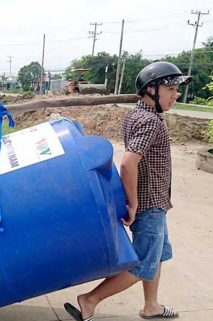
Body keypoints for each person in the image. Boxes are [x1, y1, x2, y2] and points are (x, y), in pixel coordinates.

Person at [64, 61, 192, 321]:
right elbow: (128, 161)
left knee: (157, 255)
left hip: (156, 201)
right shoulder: (150, 121)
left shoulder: (138, 114)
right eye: (170, 88)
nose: (175, 95)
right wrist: (133, 203)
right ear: (151, 89)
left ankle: (151, 306)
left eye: (176, 89)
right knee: (144, 261)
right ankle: (90, 300)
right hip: (149, 204)